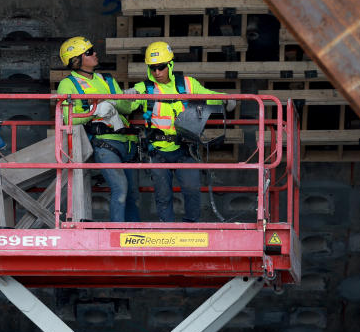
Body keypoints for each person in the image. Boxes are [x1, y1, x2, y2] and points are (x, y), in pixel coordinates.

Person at [130, 41, 235, 223]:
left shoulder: (188, 84)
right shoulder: (144, 88)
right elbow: (125, 103)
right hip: (158, 152)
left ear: (170, 65)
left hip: (185, 150)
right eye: (152, 68)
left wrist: (226, 99)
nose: (157, 73)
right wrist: (123, 97)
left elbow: (208, 96)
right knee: (163, 197)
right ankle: (167, 232)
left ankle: (191, 228)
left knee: (192, 189)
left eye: (161, 67)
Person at [56, 36, 140, 222]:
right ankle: (118, 235)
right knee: (121, 189)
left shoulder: (107, 80)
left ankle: (136, 237)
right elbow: (66, 118)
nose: (95, 54)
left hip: (127, 143)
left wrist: (122, 98)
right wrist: (95, 110)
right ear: (76, 60)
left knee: (133, 194)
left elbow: (126, 108)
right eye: (89, 52)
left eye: (93, 50)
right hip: (104, 144)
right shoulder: (68, 85)